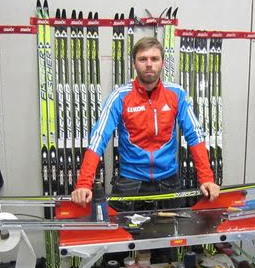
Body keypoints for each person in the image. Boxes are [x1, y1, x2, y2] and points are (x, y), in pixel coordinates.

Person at [72, 36, 220, 207]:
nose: (149, 64)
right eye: (143, 59)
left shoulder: (176, 93)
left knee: (175, 226)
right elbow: (98, 138)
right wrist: (83, 183)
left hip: (169, 182)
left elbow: (194, 135)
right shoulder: (119, 96)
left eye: (154, 59)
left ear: (162, 63)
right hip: (130, 184)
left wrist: (207, 178)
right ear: (134, 64)